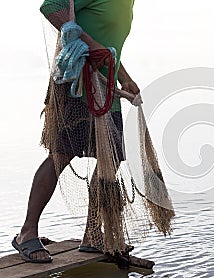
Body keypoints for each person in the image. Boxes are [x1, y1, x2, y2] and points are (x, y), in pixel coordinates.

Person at [11, 0, 139, 263]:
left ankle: (92, 235)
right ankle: (27, 233)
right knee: (61, 155)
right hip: (76, 85)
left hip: (106, 87)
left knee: (110, 160)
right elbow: (51, 6)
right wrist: (90, 46)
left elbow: (109, 44)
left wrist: (124, 76)